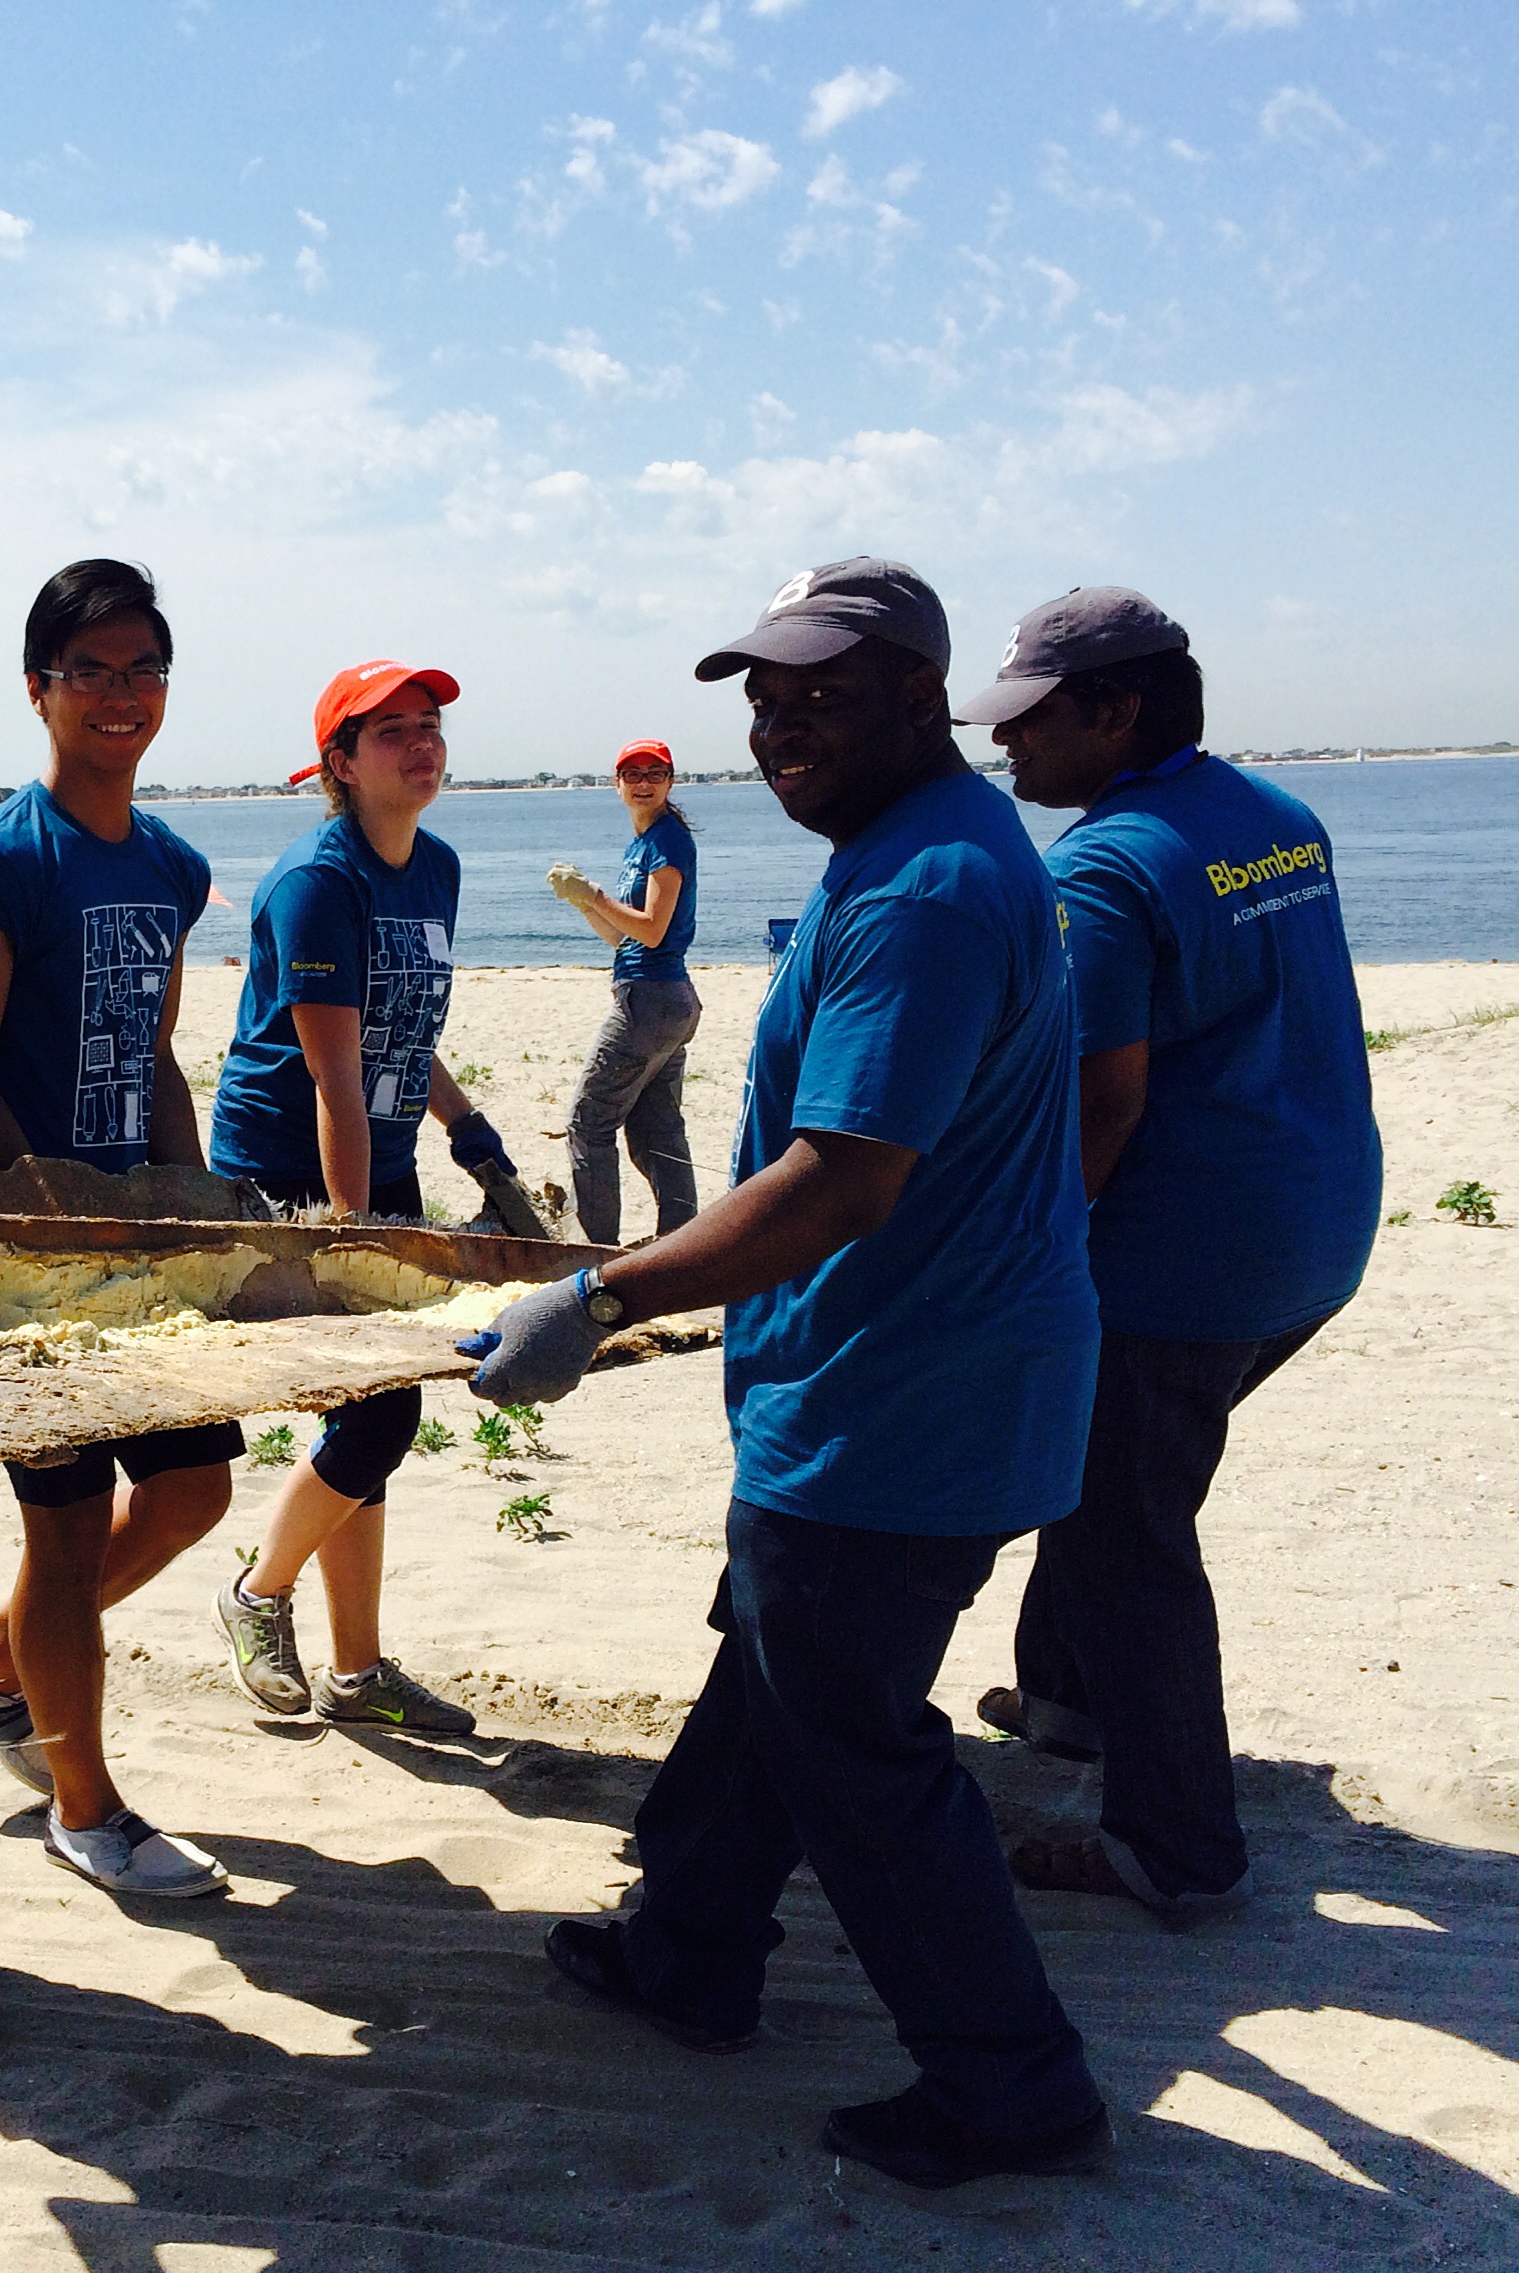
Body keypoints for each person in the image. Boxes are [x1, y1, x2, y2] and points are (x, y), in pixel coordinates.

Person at [465, 559, 1110, 2190]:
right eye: (759, 697)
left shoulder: (921, 892)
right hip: (884, 1375)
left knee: (852, 1741)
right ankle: (685, 1941)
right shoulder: (908, 849)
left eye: (818, 692)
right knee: (770, 1664)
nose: (776, 725)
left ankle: (1011, 2079)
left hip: (904, 1397)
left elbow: (839, 1180)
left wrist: (596, 1296)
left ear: (918, 696)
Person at [959, 586, 1383, 1915]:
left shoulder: (1104, 866)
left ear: (1115, 710)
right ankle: (1071, 1704)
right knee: (1105, 1475)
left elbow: (1102, 1103)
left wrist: (1033, 1258)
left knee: (1129, 1525)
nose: (1006, 745)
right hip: (1316, 1230)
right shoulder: (1273, 817)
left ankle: (1174, 1846)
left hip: (1186, 1258)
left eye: (1030, 719)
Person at [0, 559, 234, 1902]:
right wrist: (38, 1195)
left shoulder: (172, 863)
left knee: (191, 1494)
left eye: (144, 670)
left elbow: (157, 1052)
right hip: (33, 1259)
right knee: (66, 1529)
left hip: (144, 1241)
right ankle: (85, 1805)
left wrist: (196, 1198)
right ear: (41, 691)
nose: (122, 698)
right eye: (93, 673)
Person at [205, 661, 520, 1738]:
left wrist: (468, 1131)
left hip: (378, 1159)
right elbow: (333, 1077)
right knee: (383, 1408)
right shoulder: (318, 883)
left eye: (429, 727)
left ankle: (356, 1670)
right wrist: (348, 1230)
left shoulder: (433, 866)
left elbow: (403, 1031)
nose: (420, 745)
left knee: (366, 1420)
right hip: (289, 1173)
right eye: (390, 732)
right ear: (341, 763)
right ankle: (255, 1592)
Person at [547, 739, 702, 1244]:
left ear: (670, 782)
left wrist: (594, 894)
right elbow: (622, 935)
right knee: (656, 1132)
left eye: (654, 774)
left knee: (588, 1124)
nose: (642, 783)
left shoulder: (668, 841)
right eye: (631, 774)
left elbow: (653, 930)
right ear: (617, 784)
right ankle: (684, 1241)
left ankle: (593, 1251)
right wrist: (584, 903)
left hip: (653, 998)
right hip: (662, 999)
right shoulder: (643, 843)